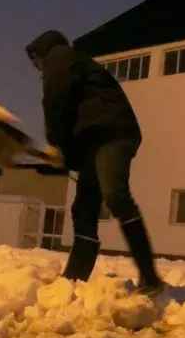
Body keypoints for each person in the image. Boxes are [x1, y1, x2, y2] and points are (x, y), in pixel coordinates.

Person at [25, 29, 165, 295]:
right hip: (96, 138)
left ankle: (151, 278)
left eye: (35, 62)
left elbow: (56, 100)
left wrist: (56, 144)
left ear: (41, 52)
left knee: (115, 196)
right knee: (84, 208)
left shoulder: (60, 56)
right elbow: (76, 112)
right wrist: (68, 155)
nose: (38, 69)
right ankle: (75, 279)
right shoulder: (72, 61)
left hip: (112, 132)